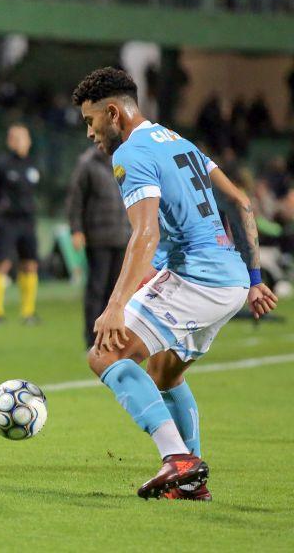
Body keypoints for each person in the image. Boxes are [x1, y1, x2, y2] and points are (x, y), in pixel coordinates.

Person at [71, 67, 277, 501]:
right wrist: (254, 279)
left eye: (91, 121)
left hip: (196, 278)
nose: (90, 133)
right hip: (231, 282)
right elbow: (241, 202)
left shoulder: (131, 153)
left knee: (105, 353)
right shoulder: (179, 141)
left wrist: (115, 305)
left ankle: (177, 459)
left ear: (113, 113)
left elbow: (145, 233)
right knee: (164, 373)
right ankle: (190, 481)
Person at [67, 144, 131, 348]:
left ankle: (111, 336)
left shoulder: (126, 160)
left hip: (123, 235)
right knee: (96, 288)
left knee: (117, 291)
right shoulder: (87, 164)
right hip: (98, 237)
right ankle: (92, 338)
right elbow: (75, 199)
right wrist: (76, 229)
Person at [0, 122, 40, 324]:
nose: (21, 142)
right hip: (7, 221)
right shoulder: (1, 165)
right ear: (10, 141)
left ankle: (28, 313)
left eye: (24, 138)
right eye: (17, 138)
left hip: (28, 220)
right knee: (2, 263)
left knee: (30, 264)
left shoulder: (33, 164)